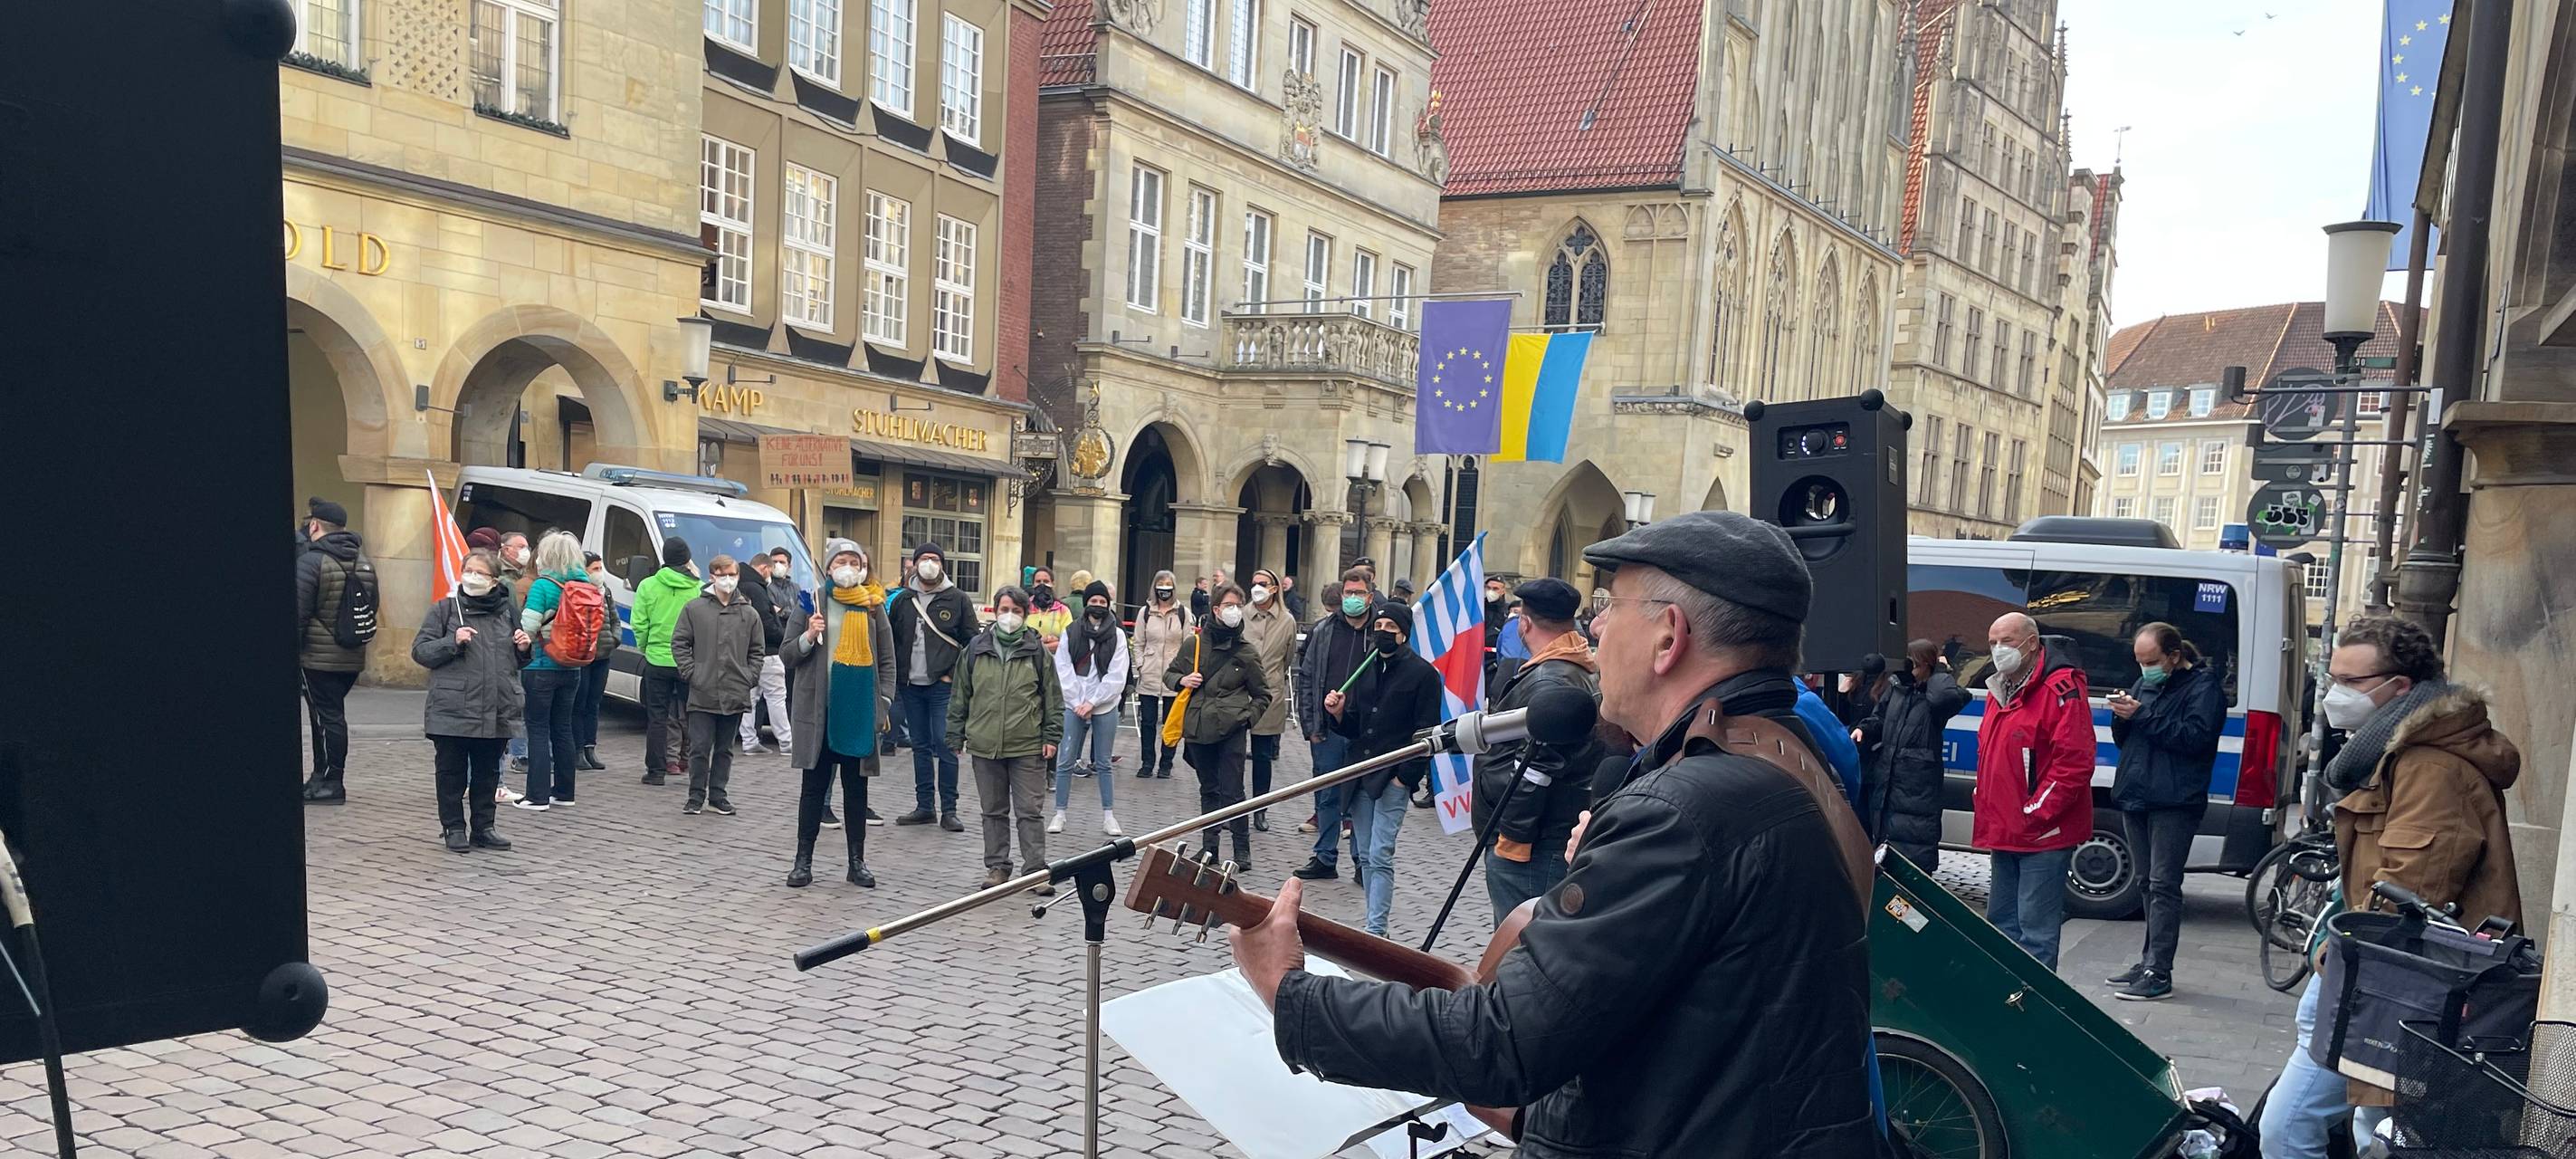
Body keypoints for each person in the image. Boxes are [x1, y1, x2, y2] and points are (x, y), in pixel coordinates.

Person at [1229, 510, 1878, 1157]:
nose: (1594, 627)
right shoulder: (1783, 754)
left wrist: (1293, 998)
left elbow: (1504, 1040)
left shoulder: (1688, 807)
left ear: (1668, 636)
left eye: (1612, 606)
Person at [2257, 616, 2524, 1157]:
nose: (2335, 694)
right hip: (2382, 973)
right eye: (2332, 677)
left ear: (2398, 687)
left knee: (2314, 1129)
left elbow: (2414, 882)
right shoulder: (2390, 752)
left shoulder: (2429, 766)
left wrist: (2341, 949)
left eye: (2351, 682)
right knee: (2364, 1129)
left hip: (2396, 978)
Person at [2100, 622, 2226, 1002]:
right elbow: (2127, 739)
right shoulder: (2145, 684)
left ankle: (2159, 971)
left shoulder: (2204, 688)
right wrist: (2121, 717)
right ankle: (2147, 961)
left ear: (2174, 656)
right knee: (2144, 881)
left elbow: (2195, 739)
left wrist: (2142, 716)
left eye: (2151, 661)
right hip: (2137, 793)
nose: (2144, 669)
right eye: (2139, 662)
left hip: (2175, 800)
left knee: (2163, 884)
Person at [1471, 579, 1608, 921]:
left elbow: (1536, 767)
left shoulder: (1550, 679)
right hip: (1545, 836)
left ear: (1525, 622)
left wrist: (1513, 841)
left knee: (1517, 945)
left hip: (1531, 846)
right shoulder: (1572, 667)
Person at [1974, 611, 2095, 971]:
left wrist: (2034, 812)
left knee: (2035, 934)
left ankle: (2031, 1014)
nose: (1998, 649)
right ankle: (2004, 1003)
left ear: (2031, 643)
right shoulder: (2000, 687)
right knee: (2002, 926)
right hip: (2006, 828)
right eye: (1993, 642)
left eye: (2006, 641)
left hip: (2041, 833)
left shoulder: (2060, 689)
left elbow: (2073, 762)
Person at [1321, 600, 1442, 935]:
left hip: (1393, 776)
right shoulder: (1367, 666)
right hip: (1361, 772)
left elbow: (1427, 732)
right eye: (1379, 627)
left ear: (1404, 634)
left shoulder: (1423, 674)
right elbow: (1356, 726)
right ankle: (1373, 923)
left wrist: (1406, 779)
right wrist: (1339, 714)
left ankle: (1376, 928)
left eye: (1391, 629)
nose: (1383, 633)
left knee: (1381, 852)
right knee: (1366, 854)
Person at [780, 540, 892, 888]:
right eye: (839, 561)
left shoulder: (873, 606)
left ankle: (856, 861)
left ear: (861, 567)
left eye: (852, 561)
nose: (846, 566)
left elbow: (888, 660)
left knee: (856, 790)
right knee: (813, 788)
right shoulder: (811, 602)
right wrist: (809, 635)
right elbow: (787, 654)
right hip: (821, 710)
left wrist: (884, 702)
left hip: (858, 709)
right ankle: (803, 861)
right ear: (828, 568)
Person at [948, 586, 1064, 892]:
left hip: (1027, 744)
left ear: (1025, 615)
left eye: (1016, 611)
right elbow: (961, 694)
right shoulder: (975, 649)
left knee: (1029, 811)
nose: (1009, 616)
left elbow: (1053, 698)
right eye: (1004, 609)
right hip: (985, 744)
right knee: (993, 810)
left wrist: (1052, 736)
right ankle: (998, 867)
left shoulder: (1037, 652)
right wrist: (955, 733)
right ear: (994, 612)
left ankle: (1035, 871)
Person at [413, 548, 525, 851]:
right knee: (451, 771)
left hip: (497, 706)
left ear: (494, 580)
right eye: (469, 571)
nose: (472, 577)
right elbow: (421, 651)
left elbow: (516, 661)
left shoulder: (508, 612)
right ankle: (453, 827)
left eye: (480, 573)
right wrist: (452, 641)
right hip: (454, 708)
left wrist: (524, 648)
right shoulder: (445, 610)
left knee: (487, 771)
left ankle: (484, 826)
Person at [1167, 583, 1272, 870]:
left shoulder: (1246, 652)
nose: (1234, 610)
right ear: (1215, 609)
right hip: (1200, 728)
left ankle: (1242, 851)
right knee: (1209, 789)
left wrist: (1247, 718)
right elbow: (1170, 674)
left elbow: (1263, 695)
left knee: (1234, 792)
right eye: (1228, 605)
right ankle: (1209, 847)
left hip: (1232, 730)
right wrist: (1182, 681)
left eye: (1238, 604)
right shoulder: (1195, 644)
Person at [1291, 569, 1375, 882]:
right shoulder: (1324, 630)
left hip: (1364, 730)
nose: (1353, 598)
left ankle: (1360, 860)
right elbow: (1308, 677)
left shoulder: (1378, 634)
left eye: (1359, 593)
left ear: (1370, 595)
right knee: (1326, 794)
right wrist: (1310, 725)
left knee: (1359, 795)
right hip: (1327, 729)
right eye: (1348, 592)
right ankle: (1325, 856)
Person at [1855, 639, 1966, 873]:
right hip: (1888, 784)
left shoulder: (1937, 693)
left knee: (1913, 852)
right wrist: (1863, 729)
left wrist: (1940, 672)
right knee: (1884, 850)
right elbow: (1880, 719)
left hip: (1917, 791)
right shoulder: (1896, 689)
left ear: (1925, 664)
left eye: (1911, 662)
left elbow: (1946, 699)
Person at [890, 541, 975, 831]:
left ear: (942, 564)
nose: (929, 563)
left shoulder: (957, 598)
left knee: (946, 743)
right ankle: (924, 805)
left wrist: (952, 673)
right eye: (924, 558)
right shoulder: (902, 600)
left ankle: (949, 809)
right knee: (920, 745)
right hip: (911, 684)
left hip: (942, 685)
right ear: (914, 564)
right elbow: (893, 640)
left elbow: (972, 642)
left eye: (934, 559)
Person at [672, 554, 762, 816]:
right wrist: (692, 673)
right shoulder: (695, 609)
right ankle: (695, 795)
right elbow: (680, 643)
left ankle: (718, 794)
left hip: (735, 690)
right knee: (699, 747)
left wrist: (749, 676)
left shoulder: (749, 613)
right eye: (723, 575)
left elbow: (757, 650)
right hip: (703, 690)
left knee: (725, 749)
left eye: (732, 574)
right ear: (712, 576)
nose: (728, 580)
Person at [510, 532, 593, 810]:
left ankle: (537, 795)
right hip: (573, 666)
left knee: (537, 728)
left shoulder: (543, 586)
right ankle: (564, 792)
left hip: (541, 665)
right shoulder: (587, 585)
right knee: (563, 728)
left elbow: (528, 628)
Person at [296, 496, 369, 804]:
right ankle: (320, 776)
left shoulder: (312, 562)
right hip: (351, 654)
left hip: (317, 656)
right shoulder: (363, 561)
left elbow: (298, 612)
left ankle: (331, 782)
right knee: (327, 716)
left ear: (314, 525)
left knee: (327, 718)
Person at [1049, 581, 1128, 838]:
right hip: (1074, 703)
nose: (1098, 606)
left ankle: (1109, 815)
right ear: (1086, 604)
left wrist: (1093, 702)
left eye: (1103, 602)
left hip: (1104, 705)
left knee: (1103, 762)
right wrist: (1076, 702)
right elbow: (1063, 669)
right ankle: (1059, 813)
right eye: (1094, 601)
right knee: (1065, 759)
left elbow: (1118, 674)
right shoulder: (1071, 631)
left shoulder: (1117, 635)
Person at [632, 537, 699, 786]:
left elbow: (639, 623)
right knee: (694, 715)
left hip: (657, 660)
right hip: (688, 661)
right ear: (687, 559)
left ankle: (656, 771)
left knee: (657, 717)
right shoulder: (698, 588)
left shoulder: (648, 586)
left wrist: (647, 647)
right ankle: (696, 767)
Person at [1242, 569, 1300, 832]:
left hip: (1269, 694)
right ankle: (1231, 809)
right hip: (1238, 692)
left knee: (1263, 756)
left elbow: (1287, 658)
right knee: (1231, 754)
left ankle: (1259, 809)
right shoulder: (1242, 614)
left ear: (1275, 588)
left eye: (1262, 584)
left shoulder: (1287, 621)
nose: (1257, 588)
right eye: (1253, 583)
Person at [1131, 570, 1192, 780]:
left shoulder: (1183, 613)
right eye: (1161, 584)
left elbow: (1189, 644)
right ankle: (1147, 762)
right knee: (1148, 722)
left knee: (1171, 722)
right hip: (1149, 673)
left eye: (1168, 585)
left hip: (1174, 675)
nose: (1164, 589)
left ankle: (1166, 763)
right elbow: (1138, 642)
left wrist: (1184, 672)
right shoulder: (1145, 612)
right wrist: (1140, 665)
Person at [736, 543, 792, 757]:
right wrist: (782, 635)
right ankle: (787, 742)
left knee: (749, 698)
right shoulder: (757, 589)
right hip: (767, 652)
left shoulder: (738, 585)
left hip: (745, 653)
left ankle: (749, 741)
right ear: (765, 568)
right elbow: (766, 622)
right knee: (777, 697)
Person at [569, 552, 615, 775]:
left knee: (594, 703)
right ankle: (577, 749)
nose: (599, 572)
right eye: (594, 568)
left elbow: (614, 618)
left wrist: (614, 638)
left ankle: (590, 747)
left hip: (603, 655)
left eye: (600, 567)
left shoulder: (605, 590)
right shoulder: (576, 590)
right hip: (582, 656)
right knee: (579, 702)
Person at [497, 531, 534, 773]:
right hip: (506, 647)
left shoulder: (524, 577)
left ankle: (519, 753)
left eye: (526, 546)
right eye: (519, 546)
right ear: (505, 548)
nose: (524, 551)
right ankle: (518, 754)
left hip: (517, 646)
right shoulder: (503, 580)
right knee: (511, 706)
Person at [1025, 566, 1073, 650]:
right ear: (1033, 584)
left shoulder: (1063, 610)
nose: (1042, 584)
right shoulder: (1024, 607)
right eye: (1038, 581)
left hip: (1053, 660)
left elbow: (1068, 640)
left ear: (1053, 584)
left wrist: (1038, 648)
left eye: (1046, 581)